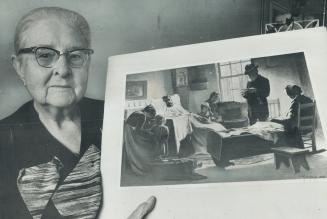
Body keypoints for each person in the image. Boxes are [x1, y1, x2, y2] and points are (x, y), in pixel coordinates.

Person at [0, 7, 155, 219]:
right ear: (19, 67)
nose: (63, 70)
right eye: (45, 55)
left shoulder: (116, 116)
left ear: (88, 63)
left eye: (75, 56)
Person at [124, 105, 159, 175]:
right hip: (130, 133)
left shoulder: (138, 112)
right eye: (150, 116)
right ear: (148, 113)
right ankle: (140, 168)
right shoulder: (143, 116)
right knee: (141, 147)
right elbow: (138, 131)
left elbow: (137, 128)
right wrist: (148, 132)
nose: (150, 118)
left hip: (128, 130)